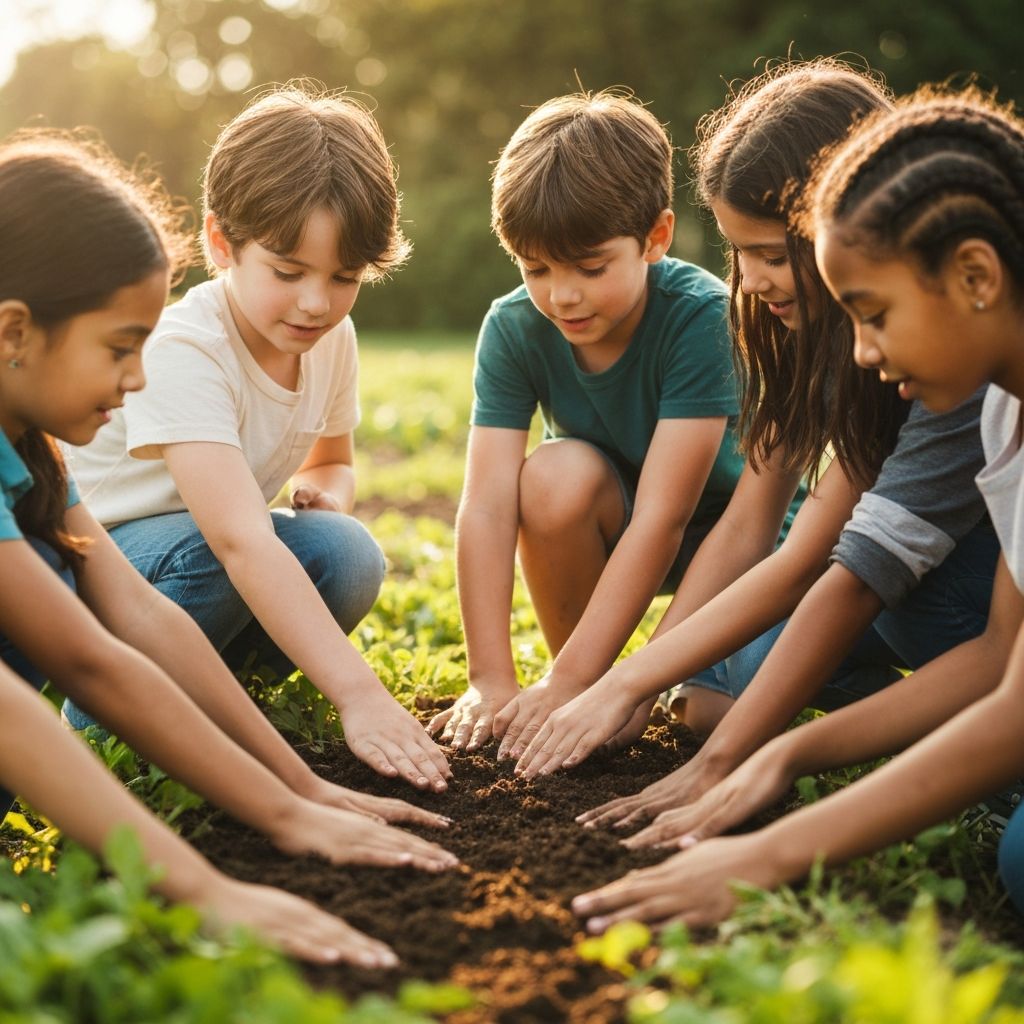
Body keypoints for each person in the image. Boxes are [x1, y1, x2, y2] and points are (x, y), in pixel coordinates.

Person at [572, 86, 1024, 931]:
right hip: (975, 649)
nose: (862, 351)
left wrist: (765, 832)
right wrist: (769, 753)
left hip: (943, 614)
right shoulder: (1000, 404)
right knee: (729, 684)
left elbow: (859, 579)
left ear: (975, 275)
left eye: (873, 315)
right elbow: (1004, 652)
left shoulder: (970, 390)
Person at [0, 128, 456, 965]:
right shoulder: (181, 355)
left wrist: (296, 795)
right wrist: (209, 888)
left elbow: (139, 622)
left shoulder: (31, 453)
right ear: (13, 333)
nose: (138, 378)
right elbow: (83, 667)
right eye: (120, 349)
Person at [66, 84, 451, 793]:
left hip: (205, 556)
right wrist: (360, 696)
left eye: (344, 277)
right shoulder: (187, 348)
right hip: (100, 572)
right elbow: (239, 540)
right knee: (221, 552)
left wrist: (326, 496)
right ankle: (104, 716)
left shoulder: (330, 338)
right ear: (222, 244)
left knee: (346, 553)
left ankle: (216, 698)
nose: (316, 302)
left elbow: (331, 462)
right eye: (287, 271)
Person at [427, 89, 750, 757]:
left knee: (706, 715)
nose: (562, 294)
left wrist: (629, 688)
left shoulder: (700, 317)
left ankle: (598, 683)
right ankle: (581, 681)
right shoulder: (514, 327)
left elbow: (665, 517)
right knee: (554, 475)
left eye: (591, 267)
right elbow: (486, 505)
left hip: (725, 546)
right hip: (613, 522)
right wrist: (491, 678)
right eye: (535, 268)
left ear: (656, 237)